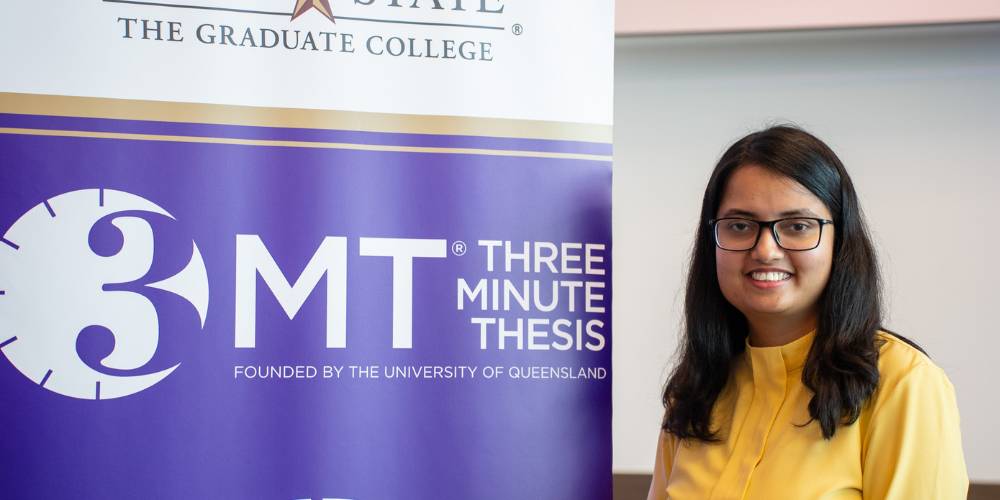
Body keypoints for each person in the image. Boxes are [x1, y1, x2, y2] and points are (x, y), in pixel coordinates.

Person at [647, 126, 968, 499]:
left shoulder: (904, 384)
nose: (766, 250)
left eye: (797, 226)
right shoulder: (696, 391)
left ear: (840, 241)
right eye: (739, 225)